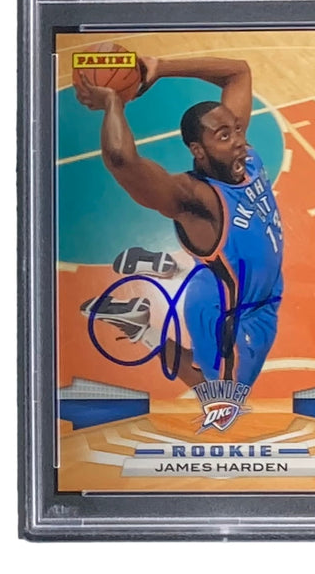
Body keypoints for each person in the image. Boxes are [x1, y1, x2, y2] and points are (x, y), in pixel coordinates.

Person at [75, 55, 283, 388]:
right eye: (224, 135)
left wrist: (160, 68)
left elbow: (238, 72)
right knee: (222, 391)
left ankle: (163, 265)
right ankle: (140, 327)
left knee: (225, 265)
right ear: (198, 151)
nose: (239, 140)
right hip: (229, 314)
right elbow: (121, 160)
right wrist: (113, 103)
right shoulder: (195, 198)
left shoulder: (240, 156)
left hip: (260, 289)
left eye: (237, 129)